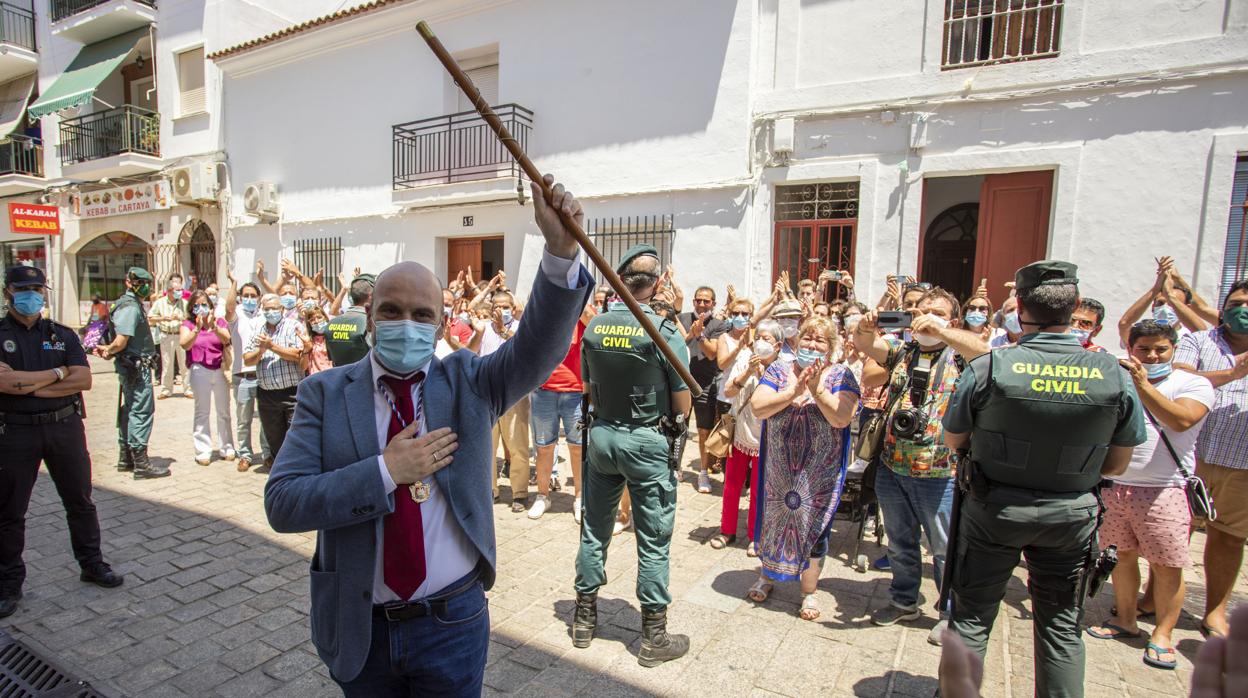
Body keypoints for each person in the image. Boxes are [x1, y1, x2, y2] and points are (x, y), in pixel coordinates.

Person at [264, 175, 589, 694]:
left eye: (421, 315)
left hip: (451, 621)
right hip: (360, 626)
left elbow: (538, 347)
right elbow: (283, 503)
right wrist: (385, 472)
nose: (405, 323)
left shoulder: (469, 381)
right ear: (369, 316)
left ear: (440, 326)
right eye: (391, 311)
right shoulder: (323, 393)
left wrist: (558, 250)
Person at [941, 260, 1146, 697]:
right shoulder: (1113, 374)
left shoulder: (989, 367)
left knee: (973, 619)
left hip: (994, 510)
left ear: (1019, 309)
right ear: (1073, 310)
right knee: (1060, 626)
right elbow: (1117, 465)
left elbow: (954, 440)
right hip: (1070, 516)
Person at [573, 243, 692, 666]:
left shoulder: (594, 327)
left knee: (594, 529)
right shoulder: (664, 329)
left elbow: (586, 390)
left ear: (621, 283)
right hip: (646, 441)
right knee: (653, 540)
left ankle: (584, 619)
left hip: (603, 436)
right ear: (657, 284)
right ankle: (653, 636)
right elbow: (682, 401)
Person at [852, 287, 986, 642]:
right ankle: (903, 601)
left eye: (937, 312)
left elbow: (987, 352)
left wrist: (941, 332)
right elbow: (865, 344)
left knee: (944, 547)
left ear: (953, 321)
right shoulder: (902, 351)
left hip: (940, 473)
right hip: (892, 466)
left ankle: (951, 613)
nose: (926, 317)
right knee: (900, 541)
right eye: (921, 311)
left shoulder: (960, 355)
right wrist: (868, 325)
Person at [1086, 320, 1213, 670]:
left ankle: (1162, 634)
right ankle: (1125, 620)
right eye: (1144, 349)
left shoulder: (1193, 383)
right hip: (1117, 486)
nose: (1153, 355)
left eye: (1161, 349)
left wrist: (1143, 386)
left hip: (1164, 490)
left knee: (1167, 565)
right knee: (1121, 557)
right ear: (1131, 349)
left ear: (1173, 349)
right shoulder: (1119, 379)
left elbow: (1182, 421)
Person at [0, 266, 122, 619]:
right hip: (15, 432)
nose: (32, 295)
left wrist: (30, 382)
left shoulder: (60, 334)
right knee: (10, 511)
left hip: (64, 427)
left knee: (81, 501)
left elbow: (83, 379)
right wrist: (57, 374)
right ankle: (9, 583)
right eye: (24, 289)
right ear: (9, 292)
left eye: (38, 288)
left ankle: (92, 563)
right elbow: (4, 385)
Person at [746, 316, 858, 621]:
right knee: (772, 522)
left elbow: (842, 417)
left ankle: (809, 592)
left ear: (831, 346)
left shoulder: (842, 375)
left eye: (820, 340)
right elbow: (758, 406)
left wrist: (816, 389)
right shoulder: (780, 370)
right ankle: (767, 577)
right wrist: (792, 392)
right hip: (780, 471)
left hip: (817, 475)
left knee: (814, 529)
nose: (811, 344)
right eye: (807, 338)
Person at [1172, 278, 1248, 639]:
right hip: (1191, 456)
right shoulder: (1199, 341)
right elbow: (1180, 380)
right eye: (1235, 303)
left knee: (1229, 538)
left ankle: (1215, 611)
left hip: (1242, 461)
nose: (1242, 310)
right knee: (1174, 532)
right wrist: (1230, 374)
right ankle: (1158, 600)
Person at [711, 318, 780, 554]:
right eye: (758, 337)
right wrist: (748, 372)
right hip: (741, 431)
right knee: (732, 485)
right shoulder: (744, 360)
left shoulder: (783, 368)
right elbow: (728, 391)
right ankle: (726, 530)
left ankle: (756, 535)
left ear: (778, 346)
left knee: (760, 488)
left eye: (767, 339)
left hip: (767, 437)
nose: (760, 342)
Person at [96, 267, 166, 479]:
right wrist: (109, 350)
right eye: (140, 282)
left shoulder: (131, 304)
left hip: (133, 367)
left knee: (129, 410)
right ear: (129, 282)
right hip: (137, 369)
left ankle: (126, 458)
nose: (144, 287)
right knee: (140, 411)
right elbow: (121, 340)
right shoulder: (130, 307)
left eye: (147, 283)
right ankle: (140, 462)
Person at [527, 301, 595, 520]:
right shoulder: (544, 312)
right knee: (544, 447)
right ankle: (542, 496)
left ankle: (579, 497)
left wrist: (578, 301)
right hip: (544, 391)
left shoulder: (583, 312)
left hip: (576, 392)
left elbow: (593, 324)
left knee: (578, 448)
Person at [480, 290, 533, 510]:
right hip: (486, 393)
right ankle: (490, 489)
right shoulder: (482, 329)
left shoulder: (521, 329)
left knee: (517, 445)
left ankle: (519, 493)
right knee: (486, 447)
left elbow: (524, 350)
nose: (501, 310)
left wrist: (503, 330)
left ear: (513, 308)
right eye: (497, 306)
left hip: (514, 394)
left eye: (506, 306)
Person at [244, 293, 309, 471]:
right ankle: (281, 471)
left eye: (274, 308)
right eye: (267, 309)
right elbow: (248, 359)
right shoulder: (259, 330)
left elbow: (298, 355)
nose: (270, 312)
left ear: (282, 310)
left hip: (291, 392)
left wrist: (273, 347)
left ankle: (297, 470)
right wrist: (261, 350)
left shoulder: (293, 326)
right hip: (267, 394)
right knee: (274, 436)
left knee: (295, 434)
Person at [677, 286, 727, 493]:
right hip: (682, 382)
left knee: (704, 430)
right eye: (698, 300)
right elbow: (677, 345)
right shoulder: (682, 318)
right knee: (679, 426)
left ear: (713, 303)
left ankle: (704, 473)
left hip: (705, 384)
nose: (702, 304)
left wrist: (700, 336)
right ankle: (675, 468)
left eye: (706, 301)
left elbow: (712, 354)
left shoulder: (718, 324)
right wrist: (690, 333)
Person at [180, 290, 234, 466]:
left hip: (219, 369)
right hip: (199, 370)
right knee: (202, 411)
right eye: (197, 305)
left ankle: (227, 447)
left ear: (210, 307)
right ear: (192, 308)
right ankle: (203, 450)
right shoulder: (187, 324)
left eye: (204, 304)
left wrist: (214, 326)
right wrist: (196, 328)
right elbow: (184, 343)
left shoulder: (219, 322)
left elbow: (227, 339)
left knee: (223, 411)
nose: (201, 308)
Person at [224, 272, 271, 472]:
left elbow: (275, 297)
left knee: (265, 418)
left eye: (253, 295)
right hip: (242, 375)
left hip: (263, 374)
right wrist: (234, 283)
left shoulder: (264, 315)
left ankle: (267, 454)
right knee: (243, 419)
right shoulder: (237, 316)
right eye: (246, 295)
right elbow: (229, 308)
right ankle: (245, 454)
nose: (250, 299)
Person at [150, 273, 189, 399]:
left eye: (180, 290)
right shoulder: (160, 303)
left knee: (185, 363)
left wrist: (182, 318)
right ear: (169, 291)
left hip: (181, 334)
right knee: (167, 363)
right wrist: (163, 318)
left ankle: (188, 388)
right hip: (166, 334)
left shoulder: (185, 303)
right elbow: (150, 318)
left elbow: (191, 318)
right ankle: (166, 389)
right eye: (177, 290)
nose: (179, 292)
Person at [326, 274, 375, 366]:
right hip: (365, 376)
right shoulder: (370, 323)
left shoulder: (331, 324)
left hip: (339, 377)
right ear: (371, 296)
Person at [303, 305, 333, 376]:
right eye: (312, 320)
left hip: (333, 377)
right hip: (315, 379)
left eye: (319, 318)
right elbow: (303, 367)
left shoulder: (334, 336)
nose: (316, 321)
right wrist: (306, 349)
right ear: (309, 323)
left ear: (325, 318)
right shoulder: (308, 340)